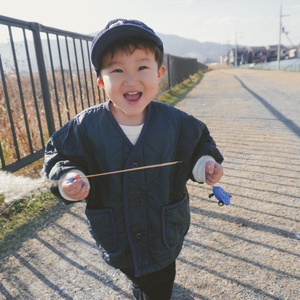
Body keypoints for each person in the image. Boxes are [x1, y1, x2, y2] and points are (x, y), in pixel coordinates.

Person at [44, 18, 224, 300]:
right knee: (133, 269)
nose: (131, 79)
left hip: (162, 227)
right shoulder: (84, 127)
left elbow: (199, 146)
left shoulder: (177, 123)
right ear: (101, 80)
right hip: (116, 230)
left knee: (160, 279)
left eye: (142, 67)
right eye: (117, 70)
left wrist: (205, 166)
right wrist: (67, 179)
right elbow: (61, 157)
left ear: (160, 72)